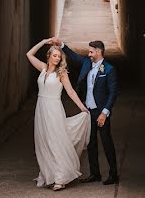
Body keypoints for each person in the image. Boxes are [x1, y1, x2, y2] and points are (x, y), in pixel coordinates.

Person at [51, 36, 119, 185]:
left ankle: (114, 174)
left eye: (91, 52)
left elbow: (113, 93)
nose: (88, 54)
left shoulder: (109, 70)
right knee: (91, 143)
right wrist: (61, 44)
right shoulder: (87, 64)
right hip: (89, 111)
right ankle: (95, 174)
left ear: (99, 52)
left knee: (107, 142)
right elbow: (74, 56)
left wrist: (104, 113)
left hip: (101, 113)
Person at [25, 38, 91, 191]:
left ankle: (61, 178)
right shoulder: (42, 68)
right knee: (44, 142)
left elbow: (71, 92)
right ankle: (50, 174)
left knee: (56, 141)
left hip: (54, 109)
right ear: (48, 56)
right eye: (54, 55)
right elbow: (29, 54)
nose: (57, 58)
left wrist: (83, 108)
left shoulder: (62, 73)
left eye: (59, 56)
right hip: (41, 109)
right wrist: (43, 42)